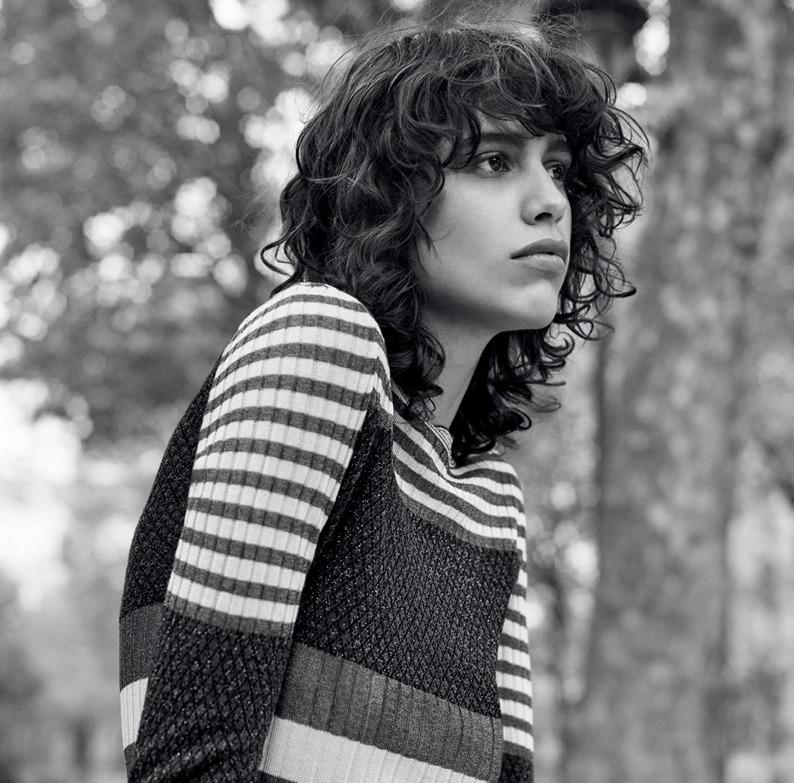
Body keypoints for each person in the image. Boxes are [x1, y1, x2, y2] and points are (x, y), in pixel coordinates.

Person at [118, 16, 646, 783]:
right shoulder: (316, 339)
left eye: (559, 170)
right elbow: (188, 768)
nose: (549, 203)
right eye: (494, 161)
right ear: (389, 194)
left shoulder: (488, 495)